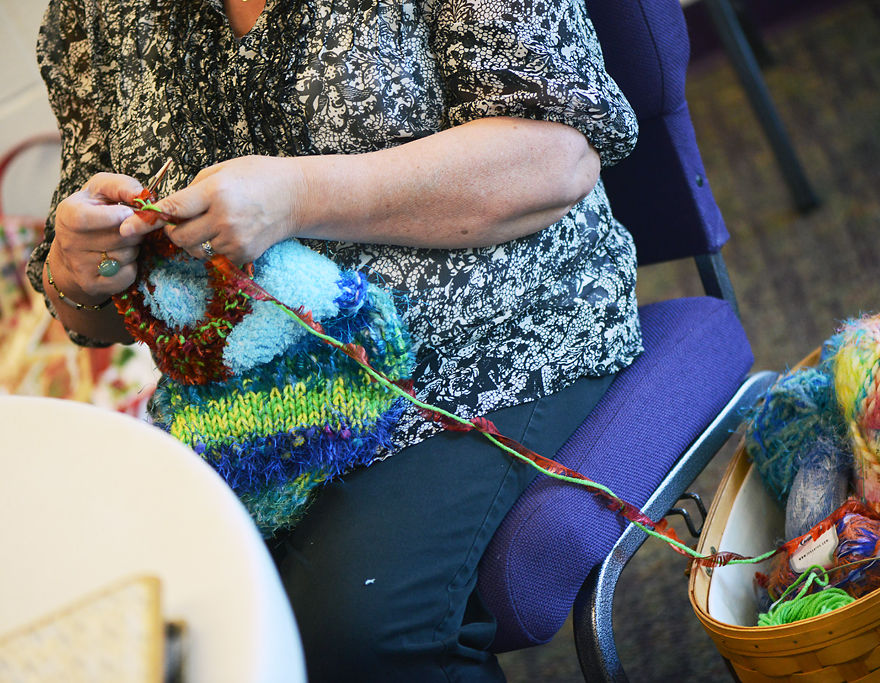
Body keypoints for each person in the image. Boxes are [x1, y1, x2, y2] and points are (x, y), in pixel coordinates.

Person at [29, 0, 641, 679]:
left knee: (350, 631)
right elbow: (92, 316)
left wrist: (297, 195)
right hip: (244, 411)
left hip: (489, 346)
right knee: (136, 629)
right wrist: (79, 268)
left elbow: (557, 152)